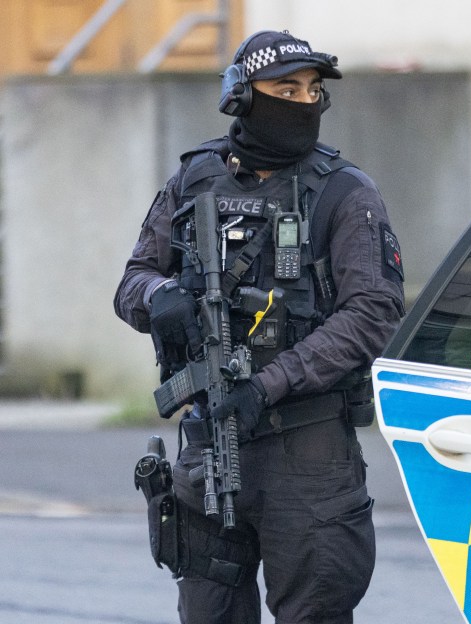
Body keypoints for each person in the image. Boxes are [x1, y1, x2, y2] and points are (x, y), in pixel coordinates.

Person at [114, 30, 405, 623]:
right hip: (206, 448)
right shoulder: (193, 183)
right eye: (286, 89)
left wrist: (266, 387)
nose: (303, 102)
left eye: (312, 90)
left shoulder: (347, 194)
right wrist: (161, 295)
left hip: (308, 455)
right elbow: (132, 280)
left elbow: (371, 314)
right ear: (243, 98)